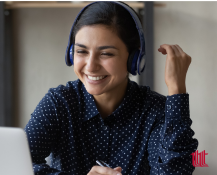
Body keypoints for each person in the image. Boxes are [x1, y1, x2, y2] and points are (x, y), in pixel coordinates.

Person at [23, 1, 198, 175]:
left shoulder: (155, 110)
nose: (91, 66)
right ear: (71, 53)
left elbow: (174, 171)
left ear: (134, 59)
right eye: (81, 51)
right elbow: (17, 164)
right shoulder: (59, 102)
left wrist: (177, 89)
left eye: (106, 53)